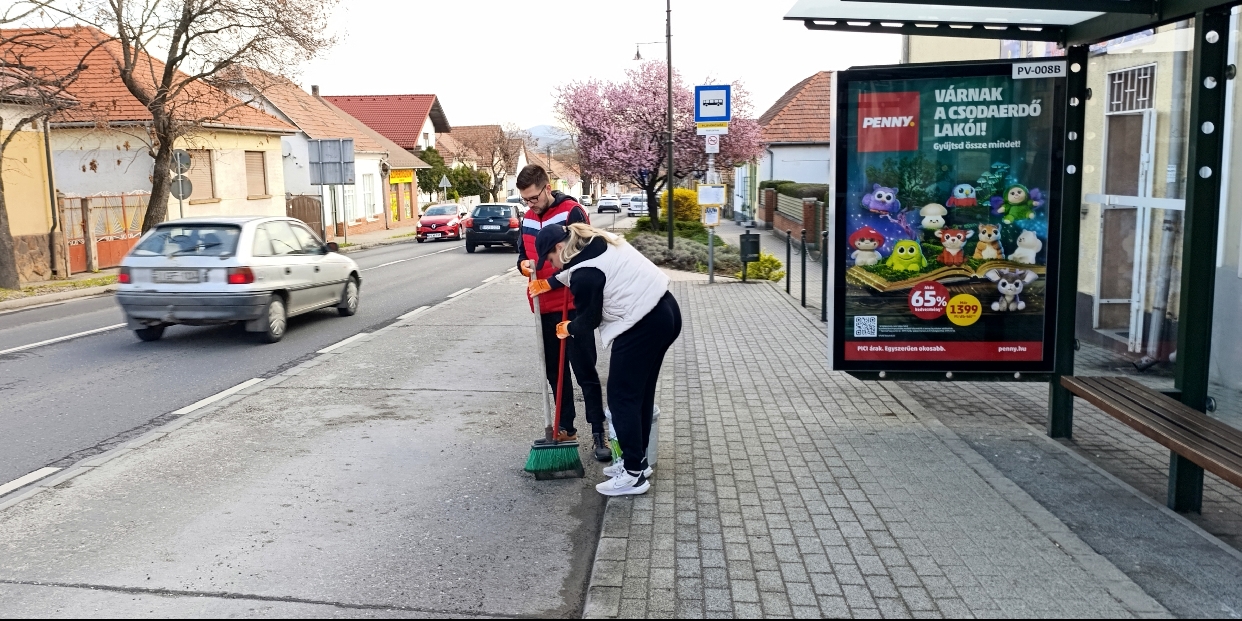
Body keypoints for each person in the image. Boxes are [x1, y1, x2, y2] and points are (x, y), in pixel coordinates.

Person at [529, 223, 682, 497]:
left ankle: (632, 475)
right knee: (639, 395)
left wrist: (569, 328)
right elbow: (576, 272)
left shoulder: (585, 273)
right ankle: (639, 462)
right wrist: (550, 283)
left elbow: (589, 319)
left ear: (560, 248)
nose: (551, 266)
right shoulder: (594, 241)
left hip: (641, 324)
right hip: (665, 310)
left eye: (550, 259)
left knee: (621, 398)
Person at [515, 165, 610, 461]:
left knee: (584, 371)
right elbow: (522, 253)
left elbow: (586, 256)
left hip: (572, 305)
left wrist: (552, 280)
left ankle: (598, 432)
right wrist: (524, 266)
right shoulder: (527, 218)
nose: (529, 204)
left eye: (533, 198)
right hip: (542, 309)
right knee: (555, 374)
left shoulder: (572, 212)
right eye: (525, 200)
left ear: (546, 188)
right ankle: (566, 427)